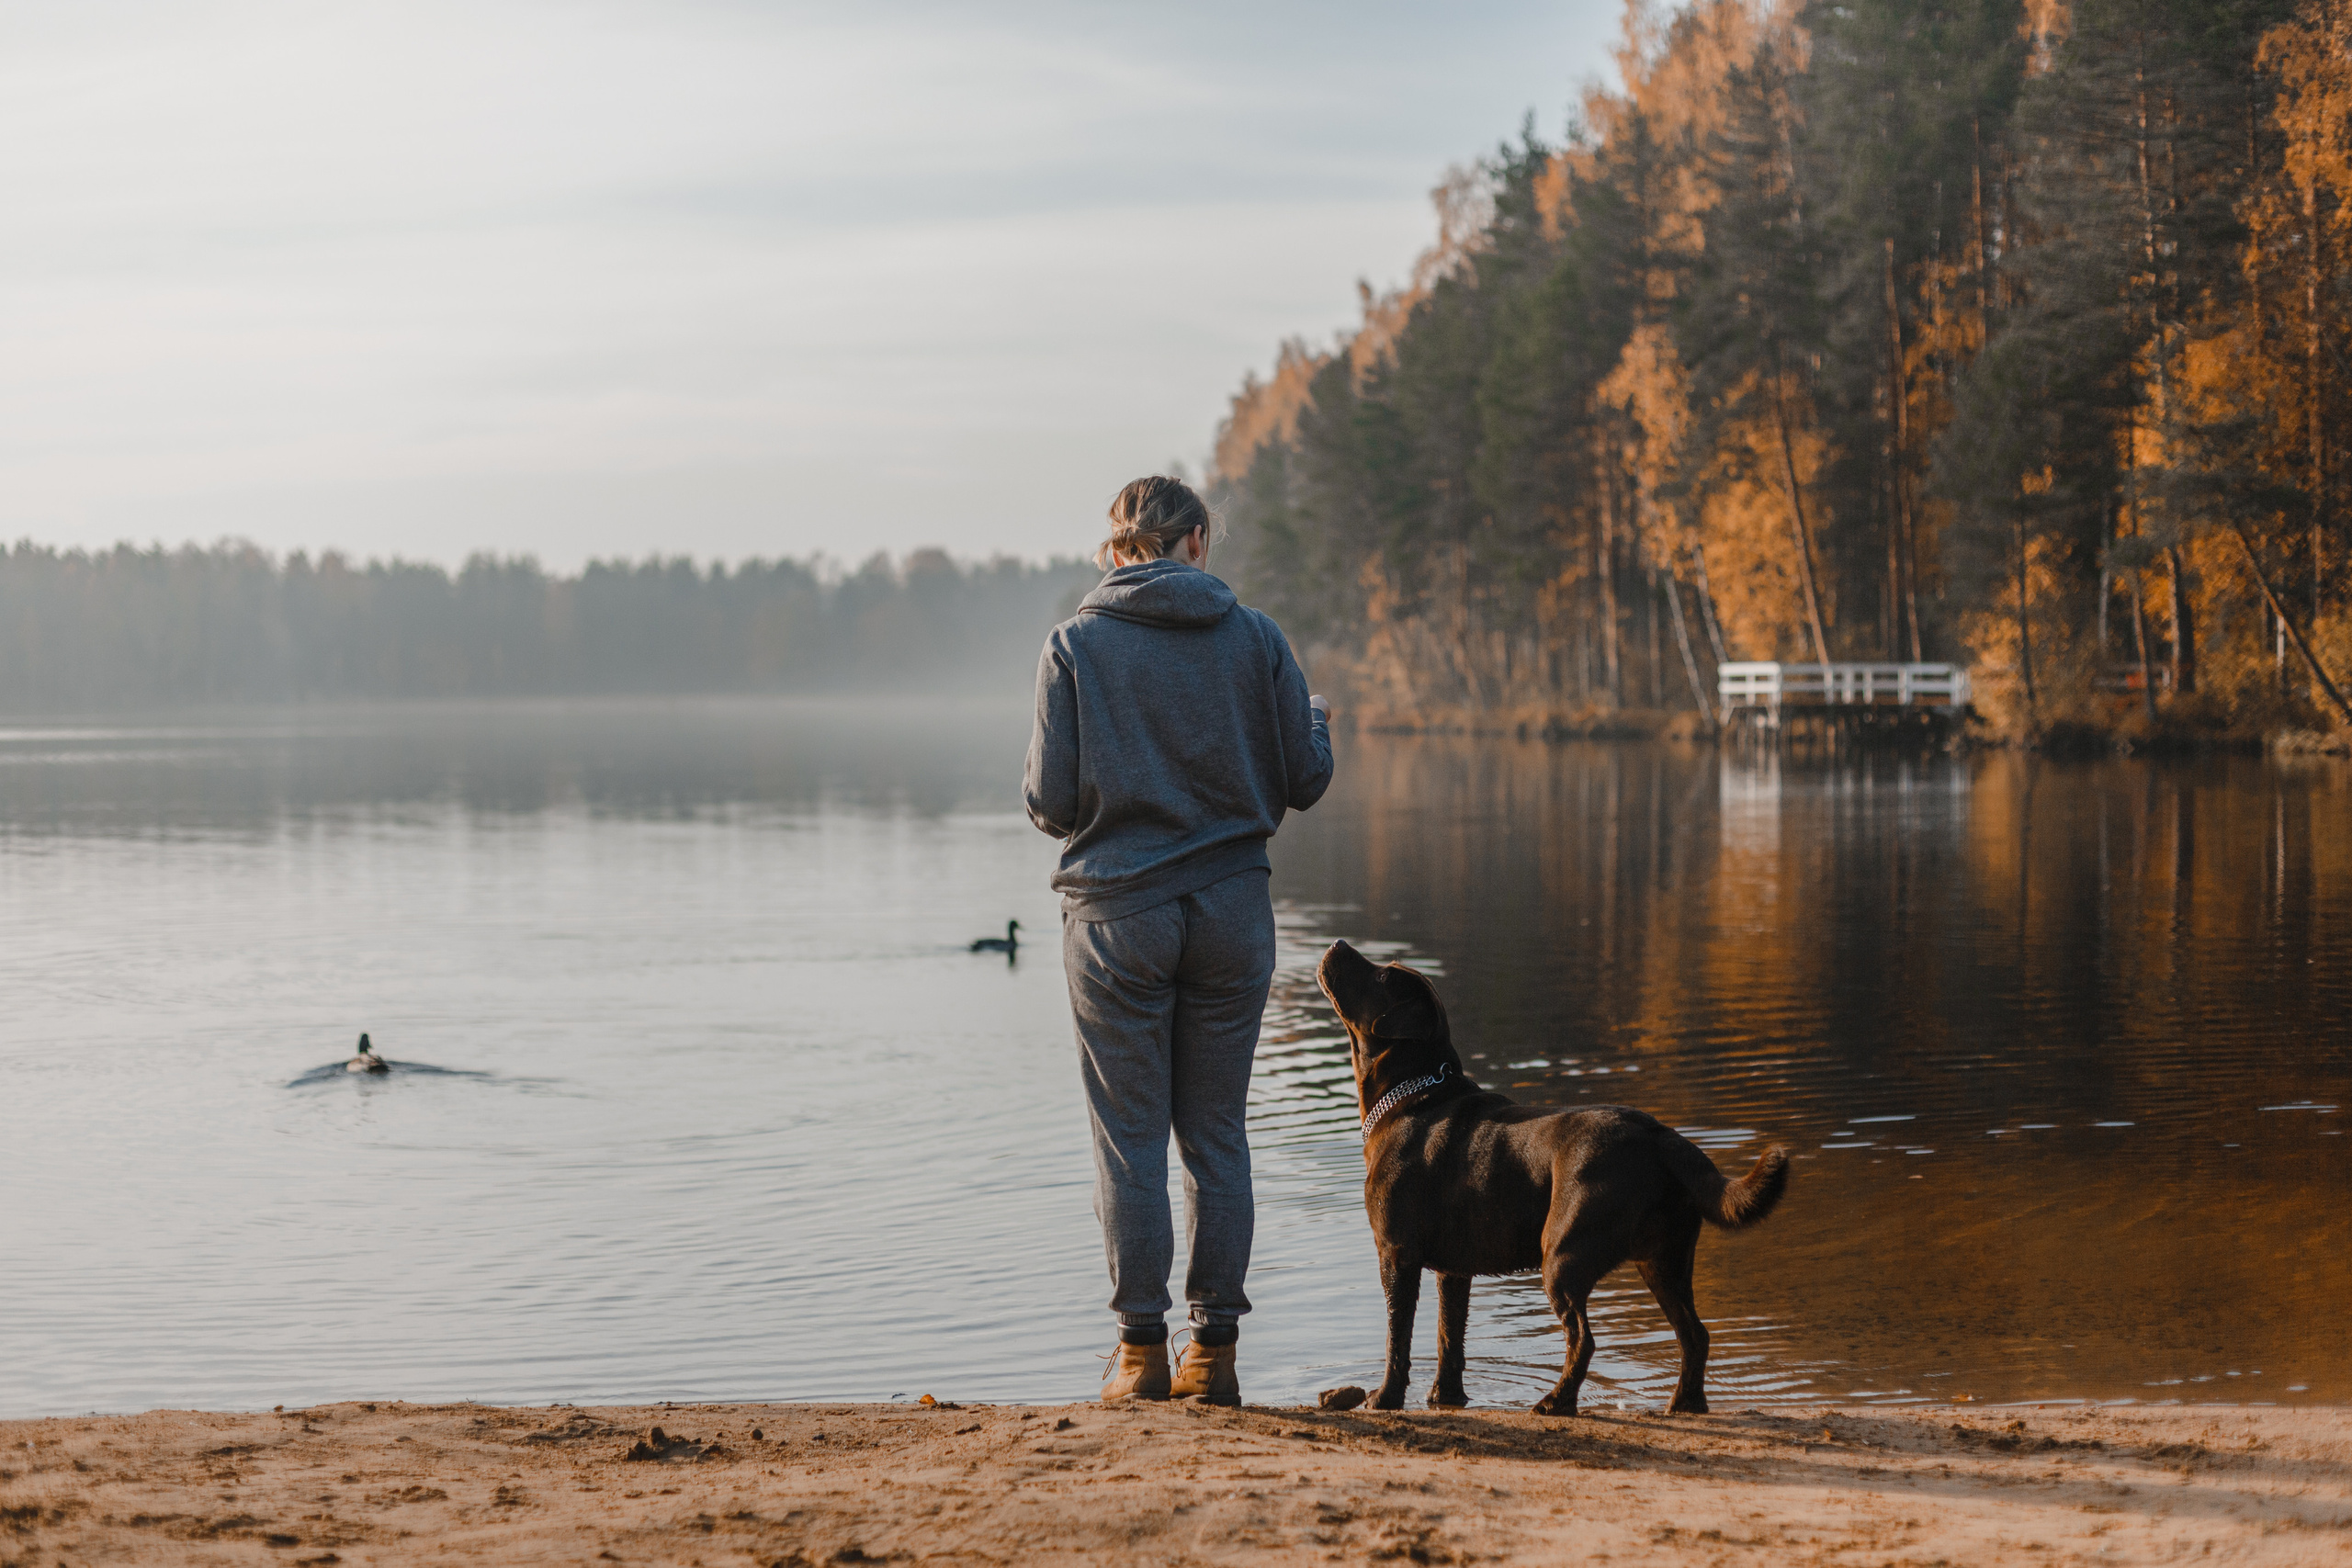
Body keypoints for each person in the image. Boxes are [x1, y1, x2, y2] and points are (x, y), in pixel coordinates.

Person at [1023, 475, 1333, 1406]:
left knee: (1129, 1142)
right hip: (1232, 914)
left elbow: (1049, 803)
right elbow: (1305, 781)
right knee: (1216, 1136)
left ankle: (1141, 1355)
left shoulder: (1074, 644)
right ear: (1197, 540)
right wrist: (1314, 720)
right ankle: (1217, 1356)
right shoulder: (1258, 638)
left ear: (1114, 548)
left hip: (1117, 918)